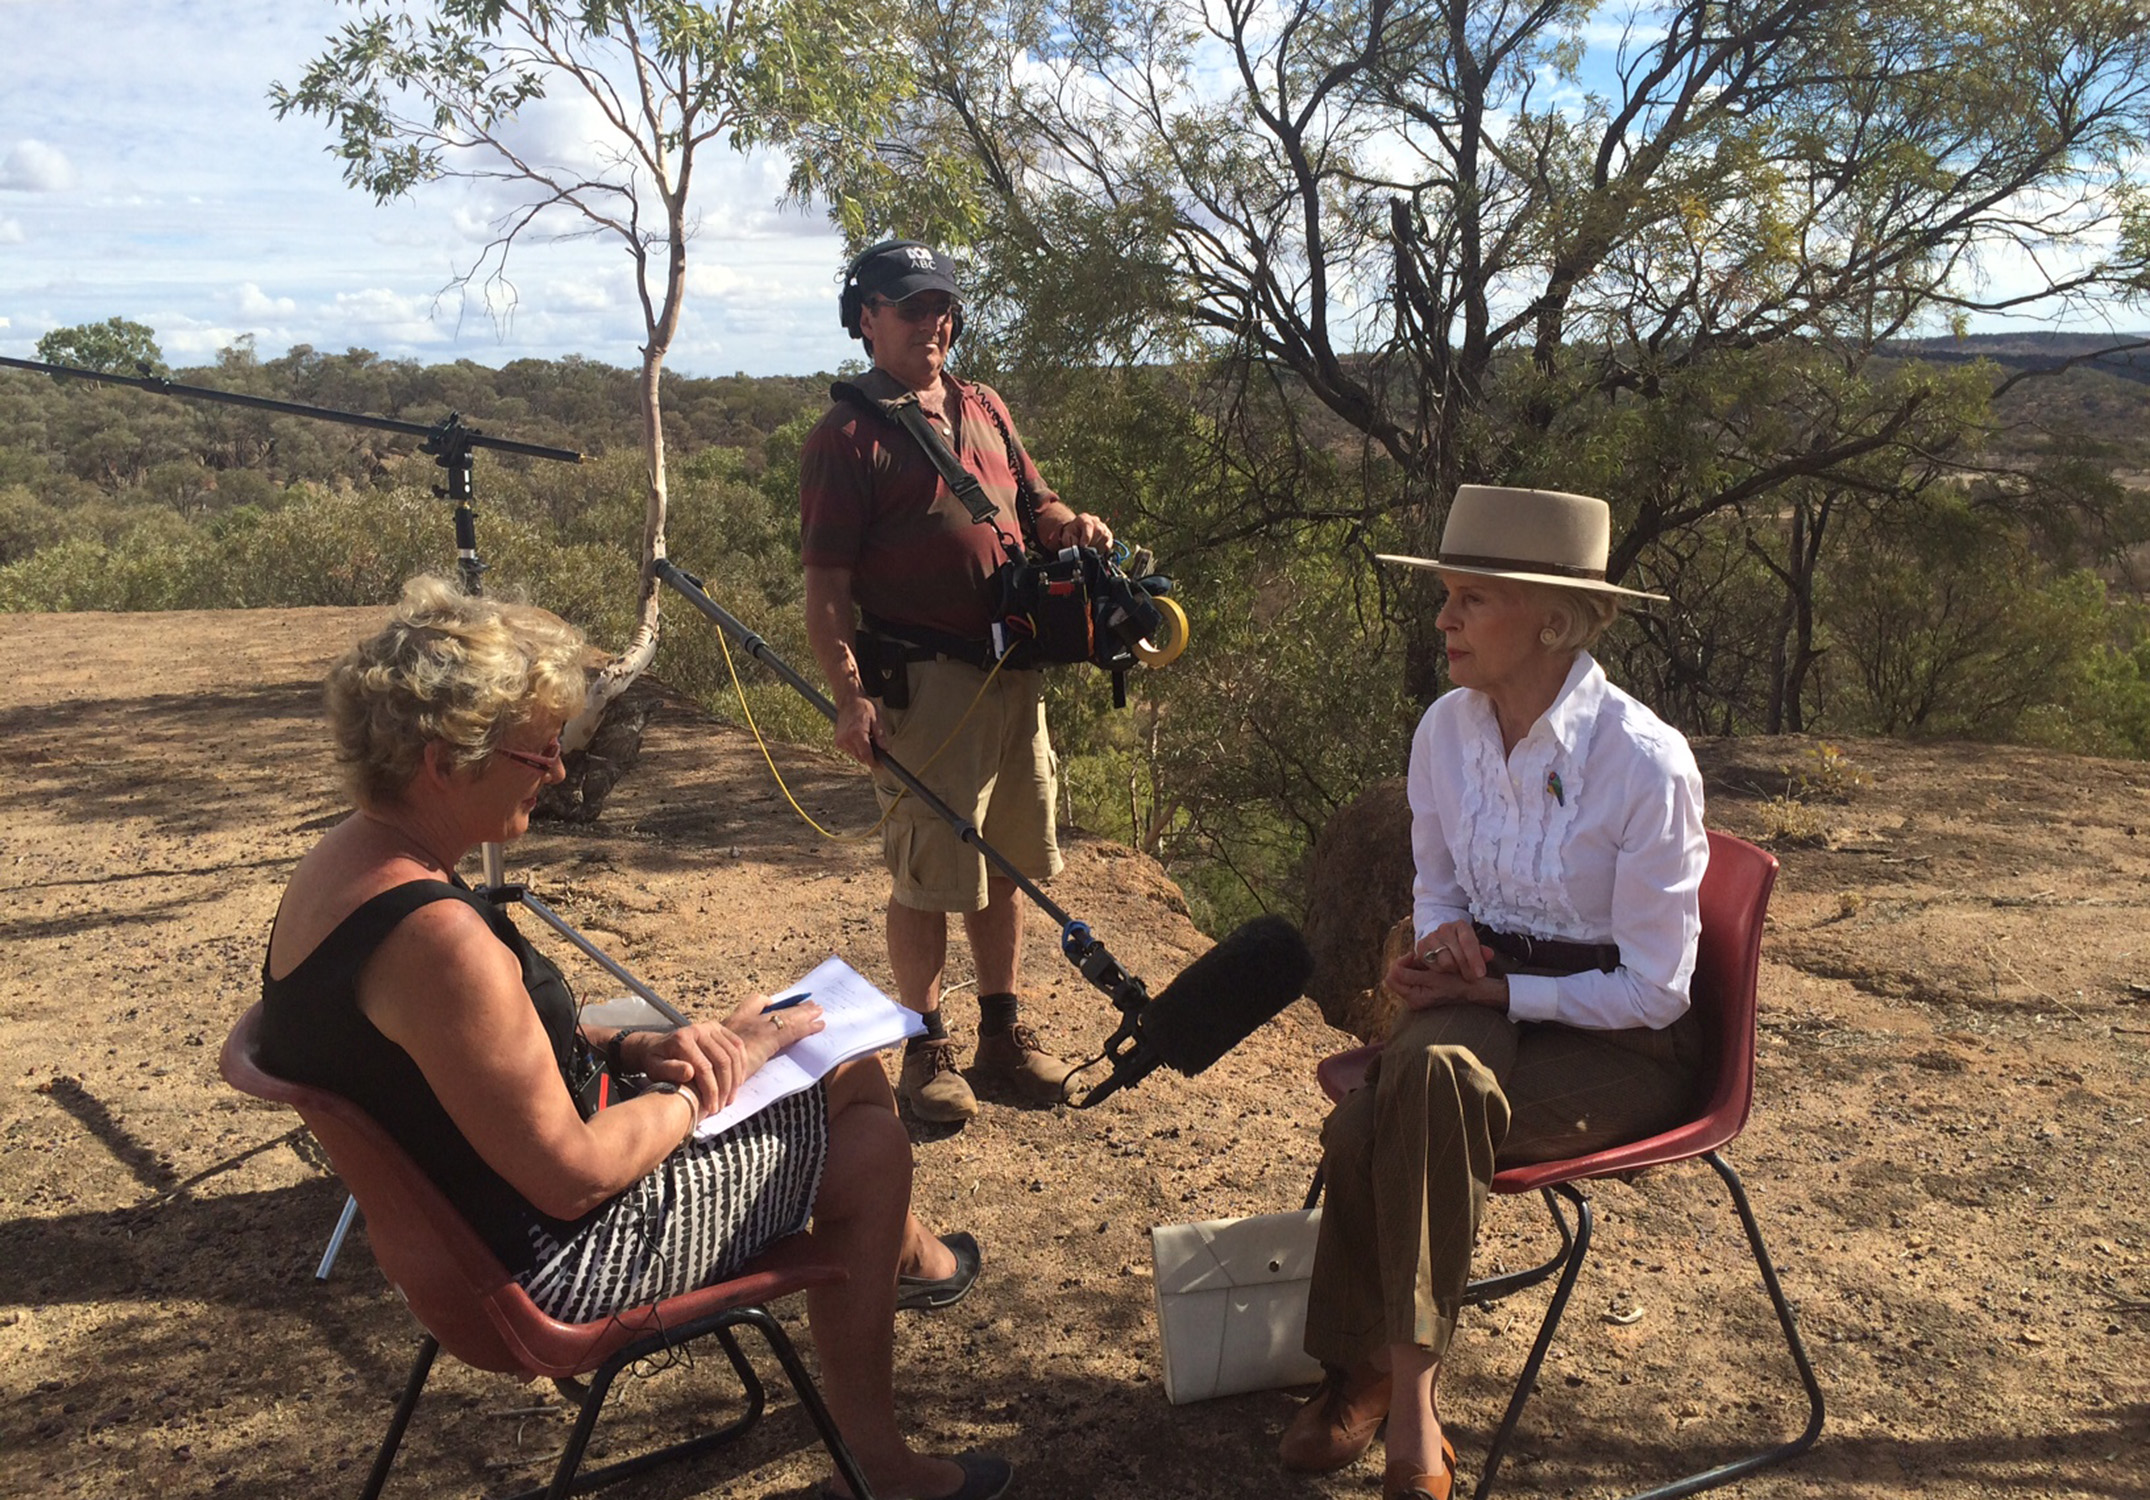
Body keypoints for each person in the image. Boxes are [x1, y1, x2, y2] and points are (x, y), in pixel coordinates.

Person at [258, 577, 1010, 1500]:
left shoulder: (340, 867)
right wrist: (699, 1089)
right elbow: (570, 1174)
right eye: (537, 755)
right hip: (557, 1269)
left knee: (835, 1058)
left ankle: (908, 1260)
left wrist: (632, 1052)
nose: (560, 772)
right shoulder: (438, 941)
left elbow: (460, 1065)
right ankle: (888, 1460)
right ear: (441, 763)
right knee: (869, 1135)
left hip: (462, 1248)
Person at [1284, 487, 1708, 1500]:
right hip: (1482, 997)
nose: (1442, 621)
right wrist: (1439, 948)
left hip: (1617, 1040)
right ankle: (1394, 1395)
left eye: (1470, 599)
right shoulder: (1445, 730)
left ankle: (1386, 1391)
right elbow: (1438, 881)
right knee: (1413, 1095)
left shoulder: (1642, 765)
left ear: (1553, 620)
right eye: (1444, 596)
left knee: (1391, 1113)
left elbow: (1657, 991)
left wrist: (1505, 992)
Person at [799, 239, 1114, 1124]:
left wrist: (1066, 527)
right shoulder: (846, 436)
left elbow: (1034, 503)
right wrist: (849, 692)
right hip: (924, 684)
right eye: (909, 307)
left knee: (1007, 864)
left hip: (1012, 673)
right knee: (930, 874)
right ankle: (924, 1042)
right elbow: (826, 586)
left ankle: (1002, 1032)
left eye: (940, 306)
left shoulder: (983, 405)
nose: (930, 322)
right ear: (866, 319)